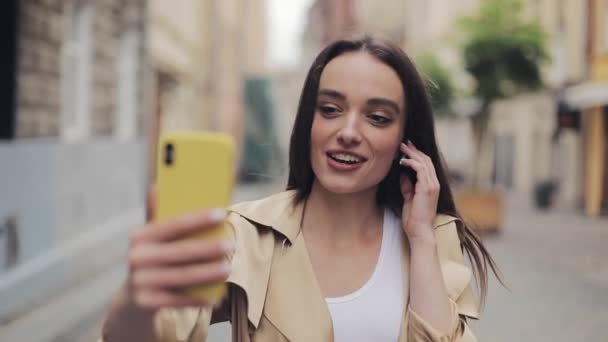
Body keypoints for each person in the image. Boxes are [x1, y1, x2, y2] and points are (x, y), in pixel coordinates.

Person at [100, 36, 500, 342]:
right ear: (309, 122)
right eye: (330, 109)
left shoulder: (433, 237)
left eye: (377, 117)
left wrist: (422, 239)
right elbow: (157, 333)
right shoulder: (246, 235)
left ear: (404, 140)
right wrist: (139, 297)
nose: (347, 132)